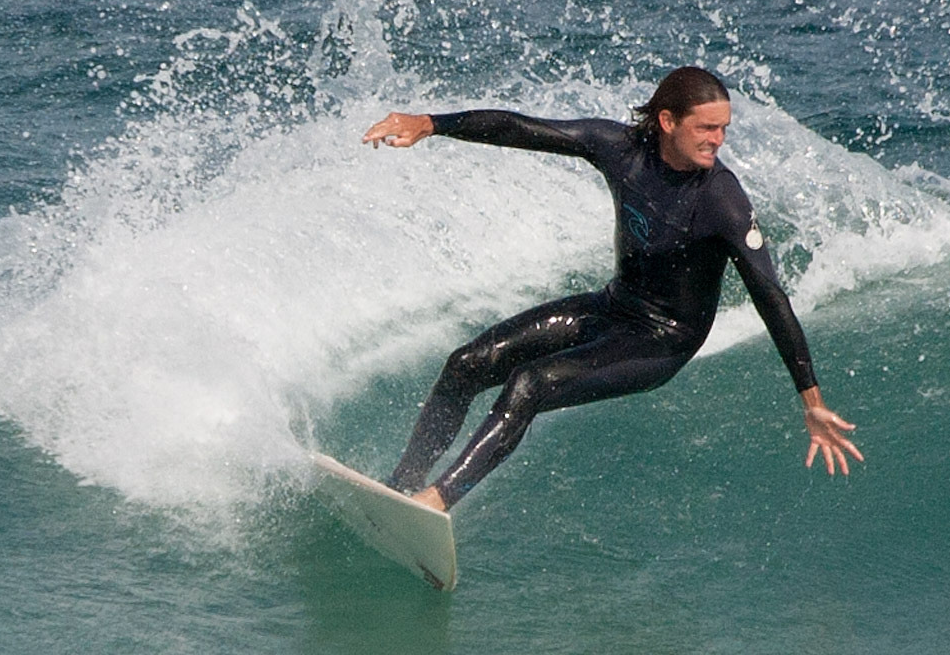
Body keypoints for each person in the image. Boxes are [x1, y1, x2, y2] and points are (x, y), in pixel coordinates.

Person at [361, 67, 863, 512]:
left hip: (662, 341)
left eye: (723, 129)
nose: (718, 140)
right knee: (467, 363)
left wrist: (810, 399)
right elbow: (524, 129)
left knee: (529, 384)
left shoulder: (721, 199)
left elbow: (770, 296)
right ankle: (402, 485)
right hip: (614, 307)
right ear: (667, 121)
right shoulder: (621, 149)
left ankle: (437, 500)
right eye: (707, 128)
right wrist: (432, 123)